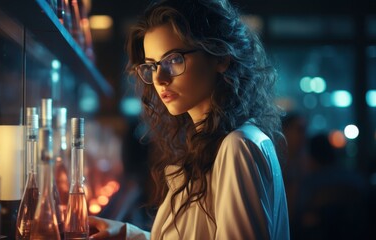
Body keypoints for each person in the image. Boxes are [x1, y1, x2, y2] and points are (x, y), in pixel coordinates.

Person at [89, 0, 290, 239]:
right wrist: (128, 234)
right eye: (152, 66)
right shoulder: (208, 144)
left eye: (173, 60)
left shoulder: (237, 146)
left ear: (221, 57)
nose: (160, 79)